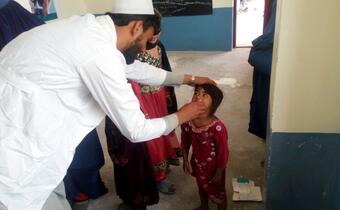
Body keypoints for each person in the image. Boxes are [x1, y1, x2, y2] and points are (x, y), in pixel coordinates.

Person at [0, 0, 215, 209]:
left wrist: (191, 79)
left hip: (30, 129)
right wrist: (182, 115)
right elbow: (136, 129)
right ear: (137, 26)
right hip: (18, 155)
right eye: (146, 40)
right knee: (27, 196)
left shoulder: (91, 29)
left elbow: (133, 69)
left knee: (50, 188)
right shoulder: (100, 52)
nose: (144, 48)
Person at [135, 9, 180, 194]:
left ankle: (165, 164)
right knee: (151, 137)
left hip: (161, 97)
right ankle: (157, 177)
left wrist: (170, 94)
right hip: (143, 100)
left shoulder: (159, 45)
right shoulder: (133, 49)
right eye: (152, 34)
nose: (155, 37)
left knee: (164, 131)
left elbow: (166, 71)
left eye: (158, 34)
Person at [181, 84, 229, 210]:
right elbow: (185, 141)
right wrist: (185, 159)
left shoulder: (217, 128)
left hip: (215, 169)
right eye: (196, 93)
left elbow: (223, 152)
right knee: (201, 186)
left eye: (204, 95)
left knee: (219, 193)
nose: (198, 97)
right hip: (197, 163)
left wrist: (219, 172)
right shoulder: (187, 120)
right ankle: (204, 206)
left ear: (214, 104)